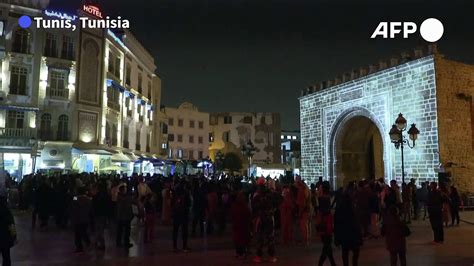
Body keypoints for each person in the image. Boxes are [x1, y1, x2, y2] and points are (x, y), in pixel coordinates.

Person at [334, 188, 362, 266]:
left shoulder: (340, 207)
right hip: (354, 233)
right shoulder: (354, 206)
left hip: (344, 233)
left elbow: (337, 222)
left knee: (345, 252)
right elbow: (357, 221)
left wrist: (337, 237)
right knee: (355, 252)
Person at [252, 177, 277, 263]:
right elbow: (276, 202)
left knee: (260, 237)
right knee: (270, 237)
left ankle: (259, 256)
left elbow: (254, 208)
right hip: (269, 217)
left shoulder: (257, 195)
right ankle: (272, 256)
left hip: (261, 218)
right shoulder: (270, 193)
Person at [317, 182, 336, 266]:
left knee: (327, 244)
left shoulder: (321, 199)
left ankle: (331, 263)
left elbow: (321, 211)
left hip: (323, 222)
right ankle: (321, 263)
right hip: (328, 223)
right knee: (327, 245)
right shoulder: (328, 199)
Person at [70, 187, 92, 253]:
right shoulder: (88, 199)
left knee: (77, 234)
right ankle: (88, 242)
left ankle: (79, 247)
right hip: (85, 218)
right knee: (84, 231)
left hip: (77, 218)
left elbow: (72, 207)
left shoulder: (75, 198)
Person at [171, 181, 191, 252]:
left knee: (175, 231)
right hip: (184, 214)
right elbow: (189, 203)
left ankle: (174, 246)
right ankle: (184, 247)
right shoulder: (186, 194)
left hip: (176, 214)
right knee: (184, 231)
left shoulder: (174, 194)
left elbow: (171, 203)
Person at [231, 192, 252, 258]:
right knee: (243, 239)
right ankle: (242, 252)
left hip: (238, 225)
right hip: (243, 225)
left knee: (238, 239)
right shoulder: (245, 206)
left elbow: (232, 215)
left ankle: (239, 252)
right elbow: (248, 214)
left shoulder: (235, 206)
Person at [92, 180, 111, 250]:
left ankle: (99, 242)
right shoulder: (106, 196)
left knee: (98, 229)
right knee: (101, 229)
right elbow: (109, 205)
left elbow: (93, 205)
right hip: (103, 214)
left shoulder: (96, 196)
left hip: (97, 214)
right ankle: (99, 242)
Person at [295, 175, 312, 246]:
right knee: (307, 224)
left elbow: (302, 203)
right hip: (308, 208)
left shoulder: (301, 190)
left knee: (304, 225)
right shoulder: (306, 188)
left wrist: (300, 212)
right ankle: (307, 240)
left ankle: (305, 241)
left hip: (305, 209)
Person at [0, 196, 16, 266]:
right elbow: (11, 225)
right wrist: (14, 236)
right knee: (6, 257)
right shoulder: (6, 211)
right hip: (5, 238)